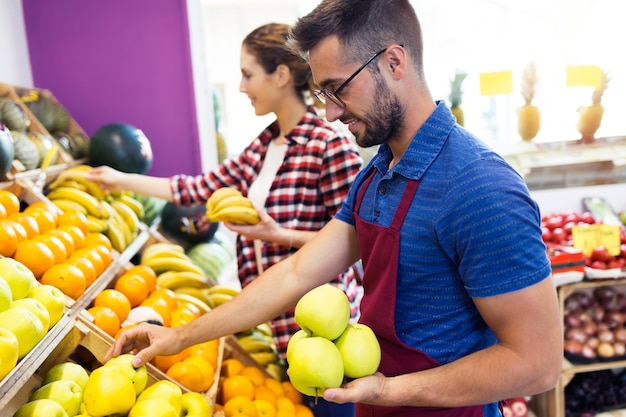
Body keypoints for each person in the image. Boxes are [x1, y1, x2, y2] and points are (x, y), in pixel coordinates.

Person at [105, 2, 563, 416]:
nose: (328, 113)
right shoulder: (378, 173)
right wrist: (180, 336)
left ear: (393, 61)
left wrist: (388, 391)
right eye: (323, 94)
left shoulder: (480, 186)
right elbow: (297, 272)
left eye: (337, 89)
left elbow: (536, 363)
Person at [90, 22, 362, 415]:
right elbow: (198, 188)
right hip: (283, 330)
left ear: (281, 75)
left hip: (328, 334)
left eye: (248, 74)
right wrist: (118, 180)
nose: (240, 86)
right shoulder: (266, 145)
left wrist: (278, 234)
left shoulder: (328, 144)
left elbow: (355, 242)